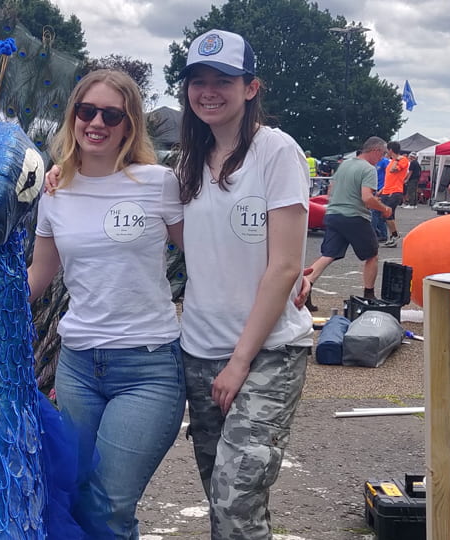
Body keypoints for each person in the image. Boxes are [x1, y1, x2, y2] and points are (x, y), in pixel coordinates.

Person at [26, 69, 185, 538]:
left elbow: (202, 252)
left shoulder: (158, 183)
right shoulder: (55, 192)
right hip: (77, 367)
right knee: (77, 498)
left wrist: (278, 273)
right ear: (72, 115)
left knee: (110, 505)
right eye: (86, 110)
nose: (96, 122)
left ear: (129, 124)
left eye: (111, 114)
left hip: (148, 367)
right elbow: (39, 275)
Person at [175, 29, 314, 539]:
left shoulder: (276, 151)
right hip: (200, 350)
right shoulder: (189, 159)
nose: (208, 91)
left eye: (223, 81)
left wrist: (239, 361)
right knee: (221, 494)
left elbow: (284, 267)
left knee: (237, 496)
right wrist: (63, 175)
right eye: (198, 81)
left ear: (251, 88)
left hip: (267, 352)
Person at [305, 137, 393, 304]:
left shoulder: (345, 164)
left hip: (333, 214)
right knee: (372, 255)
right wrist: (384, 208)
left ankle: (306, 285)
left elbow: (331, 189)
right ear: (375, 150)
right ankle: (369, 295)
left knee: (328, 255)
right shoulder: (368, 169)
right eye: (382, 154)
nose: (382, 158)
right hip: (354, 216)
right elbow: (367, 197)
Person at [378, 141, 408, 247]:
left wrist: (396, 160)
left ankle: (395, 235)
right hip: (387, 191)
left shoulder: (402, 160)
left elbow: (393, 170)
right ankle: (392, 236)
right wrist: (381, 190)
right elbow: (388, 178)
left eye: (387, 150)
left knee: (388, 214)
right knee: (388, 215)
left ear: (390, 150)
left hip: (395, 191)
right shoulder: (392, 161)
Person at [371, 152, 390, 242]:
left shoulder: (385, 161)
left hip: (381, 190)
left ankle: (378, 234)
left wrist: (383, 189)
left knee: (375, 212)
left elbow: (389, 176)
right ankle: (380, 233)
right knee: (375, 213)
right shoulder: (374, 162)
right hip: (374, 188)